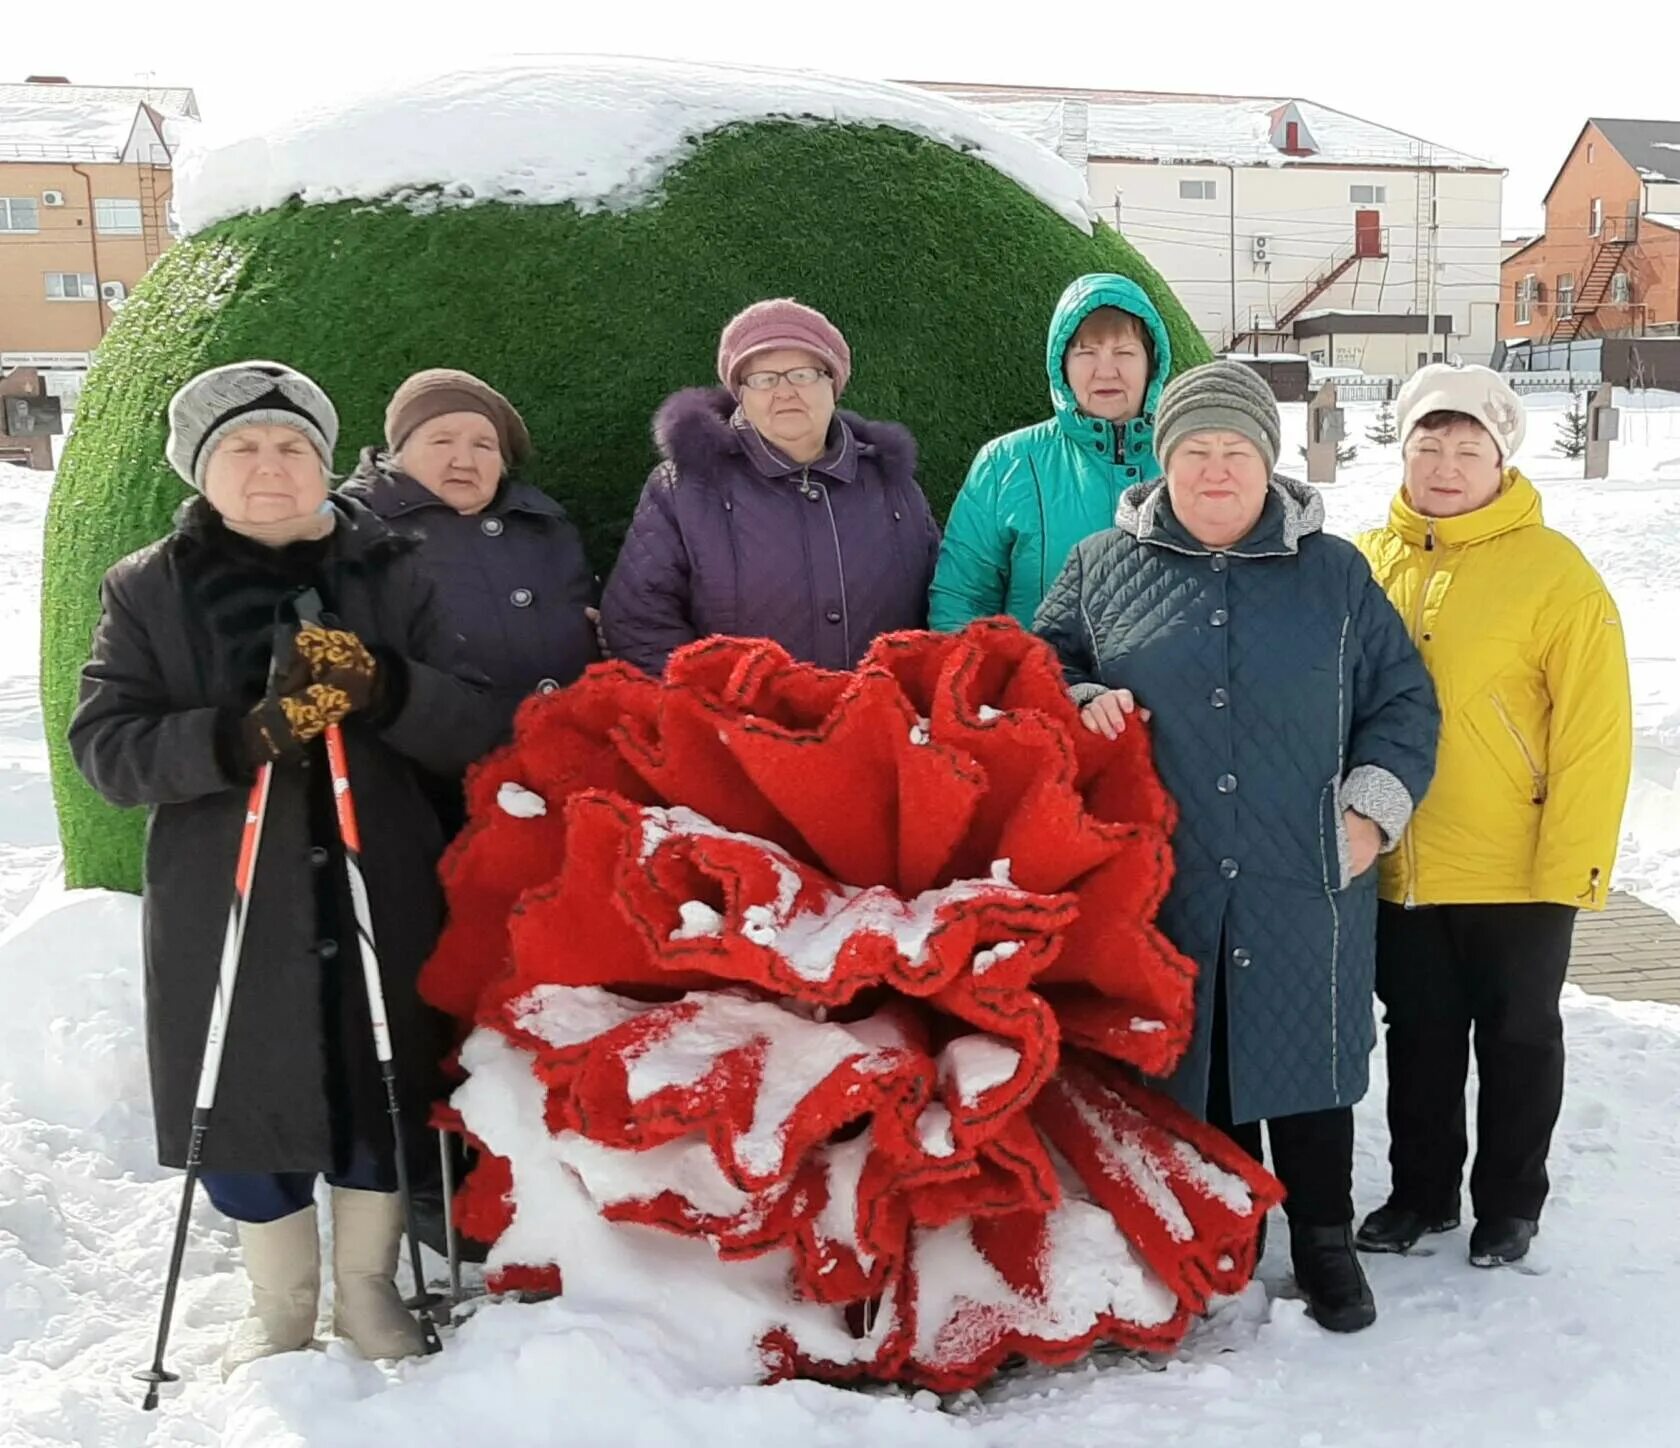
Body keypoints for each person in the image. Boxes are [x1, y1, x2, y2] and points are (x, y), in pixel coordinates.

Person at [69, 361, 498, 1372]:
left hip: (375, 878)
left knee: (376, 1083)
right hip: (232, 895)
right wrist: (235, 737)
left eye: (294, 445)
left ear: (325, 462)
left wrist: (387, 686)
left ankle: (364, 1285)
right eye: (244, 448)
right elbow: (108, 745)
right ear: (202, 471)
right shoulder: (147, 588)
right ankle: (283, 1298)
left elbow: (478, 727)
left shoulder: (394, 569)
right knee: (247, 1096)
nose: (272, 466)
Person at [1034, 360, 1439, 1333]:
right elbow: (1040, 661)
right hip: (1167, 875)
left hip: (1305, 868)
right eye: (1196, 451)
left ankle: (1325, 1239)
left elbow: (1404, 700)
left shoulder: (1334, 572)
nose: (1217, 471)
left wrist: (1371, 810)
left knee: (1310, 1058)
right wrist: (1082, 699)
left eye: (1237, 451)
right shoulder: (1100, 564)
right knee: (1200, 1061)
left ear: (1270, 462)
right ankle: (1223, 1231)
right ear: (1165, 461)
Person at [1353, 365, 1632, 1268]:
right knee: (1421, 1036)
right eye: (1428, 445)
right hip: (1405, 858)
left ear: (1500, 459)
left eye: (1467, 447)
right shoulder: (1366, 562)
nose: (1444, 464)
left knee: (1518, 1038)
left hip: (1519, 862)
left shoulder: (1557, 576)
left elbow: (1595, 734)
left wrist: (1573, 867)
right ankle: (1421, 1192)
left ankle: (1510, 1203)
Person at [600, 298, 940, 675]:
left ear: (834, 383)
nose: (784, 391)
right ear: (740, 393)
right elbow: (639, 622)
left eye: (803, 374)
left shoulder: (893, 486)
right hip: (738, 728)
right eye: (763, 379)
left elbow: (939, 605)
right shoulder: (683, 489)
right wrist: (715, 713)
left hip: (879, 724)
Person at [341, 369, 598, 821]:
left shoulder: (543, 522)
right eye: (442, 441)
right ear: (397, 453)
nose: (465, 459)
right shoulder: (355, 535)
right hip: (448, 799)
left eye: (484, 446)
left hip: (586, 767)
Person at [928, 273, 1170, 630]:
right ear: (1062, 364)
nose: (1106, 370)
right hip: (1040, 685)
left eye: (1124, 352)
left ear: (1152, 364)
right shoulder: (1006, 463)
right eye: (1086, 352)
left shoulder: (1188, 458)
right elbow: (961, 602)